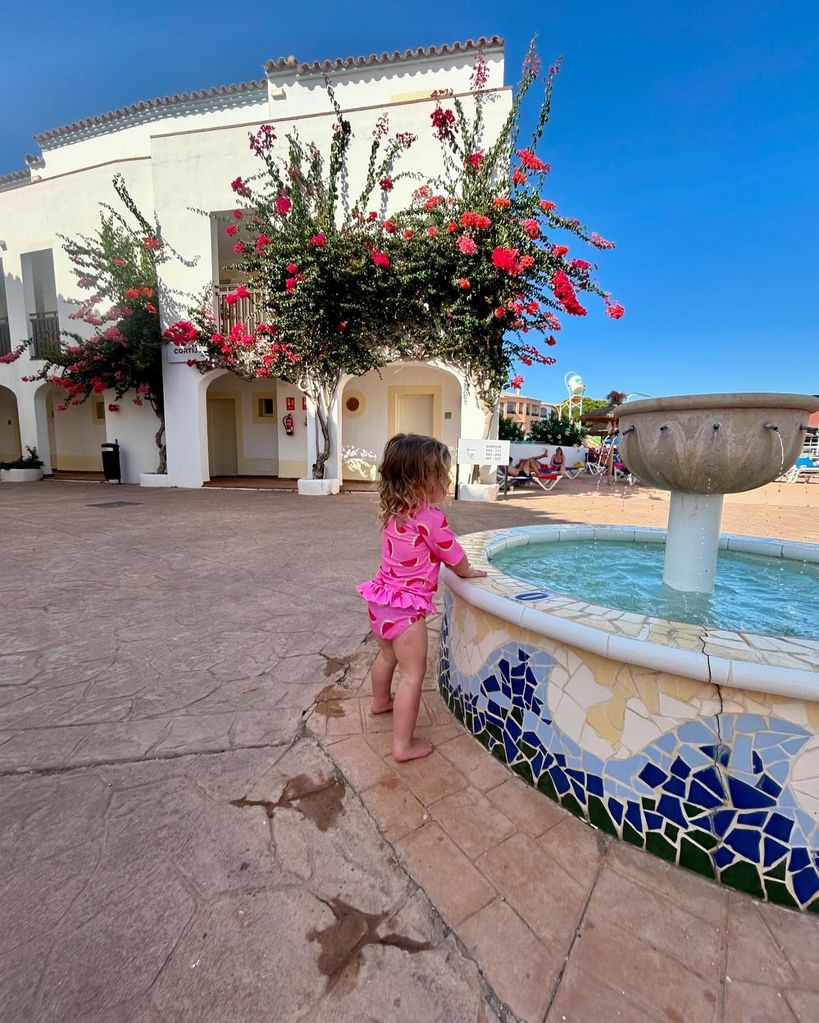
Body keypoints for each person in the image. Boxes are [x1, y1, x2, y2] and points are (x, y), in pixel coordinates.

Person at [358, 434, 487, 762]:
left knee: (386, 657)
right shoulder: (430, 519)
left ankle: (379, 702)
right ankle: (403, 745)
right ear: (420, 483)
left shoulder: (393, 513)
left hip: (379, 602)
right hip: (406, 611)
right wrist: (467, 571)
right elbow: (453, 555)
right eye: (442, 475)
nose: (447, 480)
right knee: (413, 675)